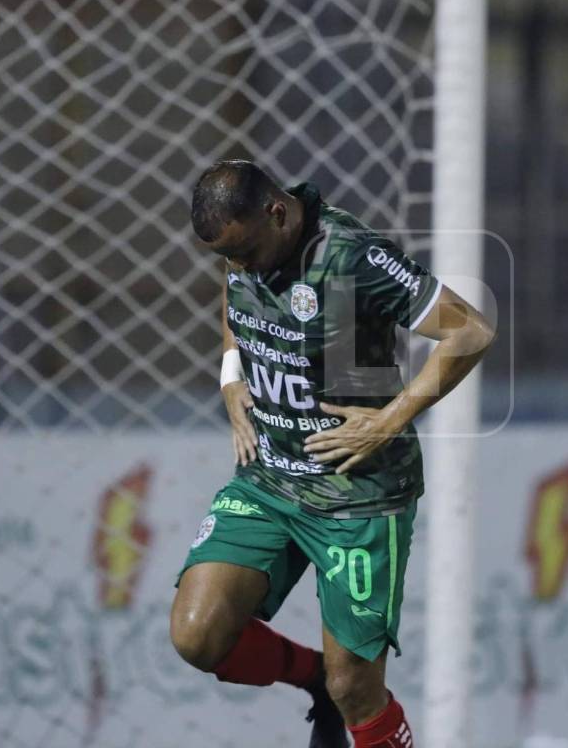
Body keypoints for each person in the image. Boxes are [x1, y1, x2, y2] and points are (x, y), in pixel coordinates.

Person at [171, 160, 495, 748]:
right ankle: (312, 677)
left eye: (245, 252)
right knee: (198, 634)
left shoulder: (353, 257)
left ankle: (336, 686)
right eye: (229, 257)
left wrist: (389, 420)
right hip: (269, 480)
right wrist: (231, 375)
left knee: (357, 689)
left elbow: (471, 331)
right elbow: (236, 295)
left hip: (357, 494)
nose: (239, 267)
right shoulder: (244, 246)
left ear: (277, 212)